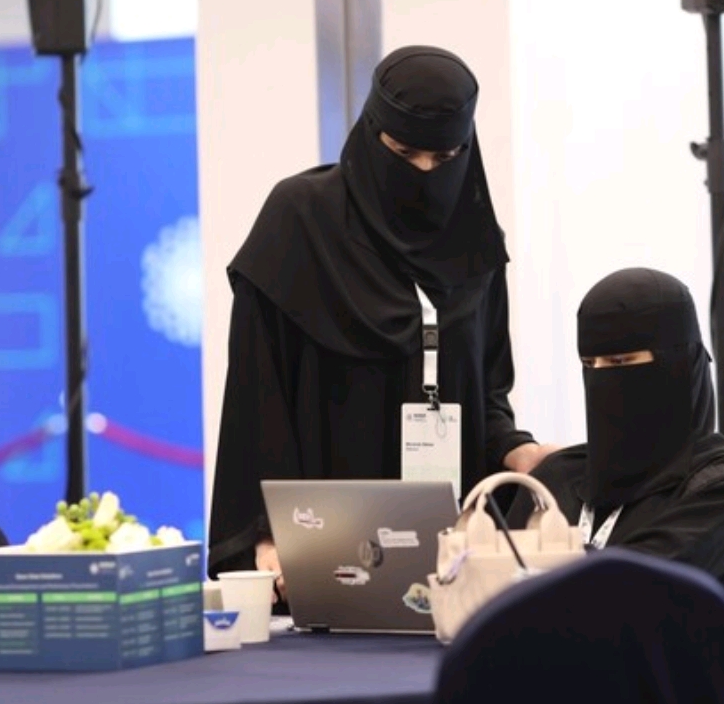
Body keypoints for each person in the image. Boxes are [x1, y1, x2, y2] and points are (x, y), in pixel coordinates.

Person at [208, 45, 555, 595]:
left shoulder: (475, 248)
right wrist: (265, 535)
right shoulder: (299, 224)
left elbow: (486, 391)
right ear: (372, 132)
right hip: (315, 550)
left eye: (445, 158)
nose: (424, 173)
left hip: (449, 558)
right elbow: (257, 399)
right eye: (404, 152)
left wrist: (516, 448)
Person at [507, 267, 724, 648]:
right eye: (589, 365)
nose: (601, 380)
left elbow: (636, 594)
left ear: (676, 365)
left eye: (619, 363)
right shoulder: (558, 478)